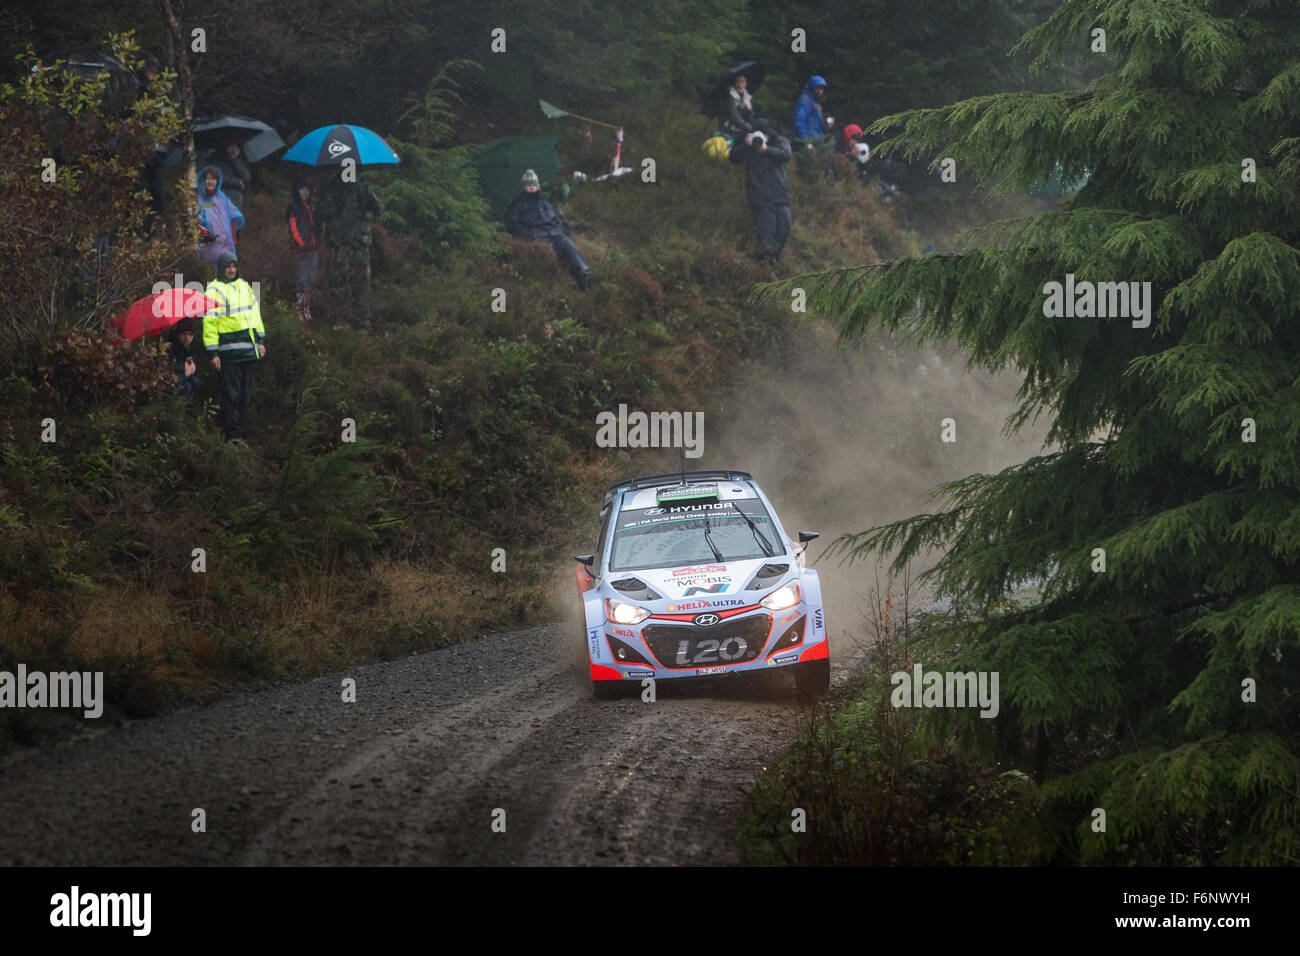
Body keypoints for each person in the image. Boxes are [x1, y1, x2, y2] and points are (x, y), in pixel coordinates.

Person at [203, 251, 265, 442]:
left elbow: (255, 315)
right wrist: (213, 353)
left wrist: (260, 341)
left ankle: (237, 433)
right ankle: (232, 436)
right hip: (228, 353)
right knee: (232, 396)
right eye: (228, 266)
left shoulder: (244, 286)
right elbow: (210, 324)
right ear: (221, 268)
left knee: (244, 397)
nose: (231, 270)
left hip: (248, 350)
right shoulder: (213, 290)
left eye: (234, 266)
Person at [505, 169, 596, 290]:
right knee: (550, 260)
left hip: (557, 235)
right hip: (539, 237)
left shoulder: (544, 203)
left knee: (573, 252)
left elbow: (556, 219)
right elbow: (512, 225)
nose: (532, 188)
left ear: (537, 186)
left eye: (534, 185)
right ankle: (554, 287)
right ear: (523, 188)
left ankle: (587, 283)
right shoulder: (516, 206)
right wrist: (530, 235)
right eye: (528, 185)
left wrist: (562, 230)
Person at [320, 175, 385, 328]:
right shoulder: (357, 187)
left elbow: (378, 207)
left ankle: (348, 319)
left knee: (346, 282)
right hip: (350, 242)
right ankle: (354, 319)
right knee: (352, 281)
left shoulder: (338, 187)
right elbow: (379, 208)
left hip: (346, 242)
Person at [728, 119, 792, 268]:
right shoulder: (749, 145)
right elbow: (733, 158)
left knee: (784, 230)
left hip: (779, 194)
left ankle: (774, 259)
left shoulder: (778, 140)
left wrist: (766, 149)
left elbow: (785, 155)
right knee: (767, 236)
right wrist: (746, 144)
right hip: (759, 197)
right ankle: (766, 267)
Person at [285, 177, 321, 322]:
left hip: (313, 249)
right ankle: (297, 309)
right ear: (296, 190)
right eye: (302, 189)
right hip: (300, 250)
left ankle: (306, 308)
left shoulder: (313, 207)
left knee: (310, 280)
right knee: (300, 280)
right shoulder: (293, 208)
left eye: (307, 189)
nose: (305, 192)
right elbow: (293, 228)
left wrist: (317, 240)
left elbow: (316, 227)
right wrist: (301, 244)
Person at [196, 165, 243, 268]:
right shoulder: (199, 199)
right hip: (206, 244)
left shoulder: (223, 198)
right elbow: (195, 220)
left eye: (213, 179)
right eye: (208, 179)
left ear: (217, 181)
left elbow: (231, 217)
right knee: (209, 273)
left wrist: (233, 240)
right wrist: (204, 235)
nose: (210, 182)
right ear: (204, 180)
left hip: (224, 244)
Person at [203, 138, 252, 214]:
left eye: (236, 147)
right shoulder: (216, 158)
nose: (233, 149)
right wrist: (238, 183)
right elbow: (219, 178)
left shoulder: (240, 159)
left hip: (235, 199)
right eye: (231, 146)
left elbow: (246, 177)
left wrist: (234, 160)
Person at [167, 317, 202, 397]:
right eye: (184, 333)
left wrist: (192, 369)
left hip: (183, 379)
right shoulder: (171, 349)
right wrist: (186, 373)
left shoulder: (190, 348)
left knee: (195, 381)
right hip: (171, 385)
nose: (187, 338)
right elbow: (172, 379)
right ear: (178, 334)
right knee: (187, 387)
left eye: (190, 334)